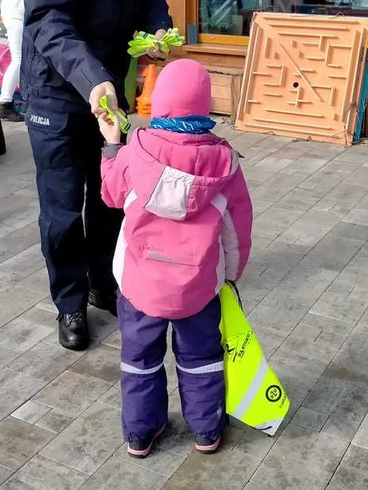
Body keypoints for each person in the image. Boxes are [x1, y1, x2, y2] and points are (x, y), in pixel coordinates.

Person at [21, 0, 172, 351]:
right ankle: (68, 302)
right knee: (63, 206)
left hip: (111, 90)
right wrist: (92, 81)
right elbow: (47, 22)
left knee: (111, 197)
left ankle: (104, 285)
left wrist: (158, 31)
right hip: (61, 93)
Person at [97, 59, 253, 458]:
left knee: (139, 359)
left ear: (159, 101)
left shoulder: (135, 152)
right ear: (205, 107)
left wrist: (112, 144)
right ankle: (205, 429)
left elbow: (112, 196)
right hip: (199, 287)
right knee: (202, 358)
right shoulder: (225, 163)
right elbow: (238, 228)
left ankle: (140, 432)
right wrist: (230, 275)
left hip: (138, 286)